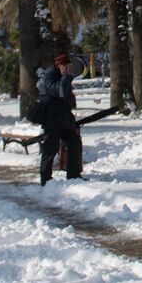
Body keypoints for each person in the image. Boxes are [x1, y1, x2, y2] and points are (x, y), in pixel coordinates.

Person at [38, 53, 83, 185]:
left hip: (64, 119)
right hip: (51, 120)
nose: (70, 70)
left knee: (74, 143)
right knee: (50, 149)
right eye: (68, 67)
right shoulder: (49, 77)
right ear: (60, 66)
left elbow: (68, 98)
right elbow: (61, 92)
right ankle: (45, 179)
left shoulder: (63, 76)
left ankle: (74, 175)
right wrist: (66, 77)